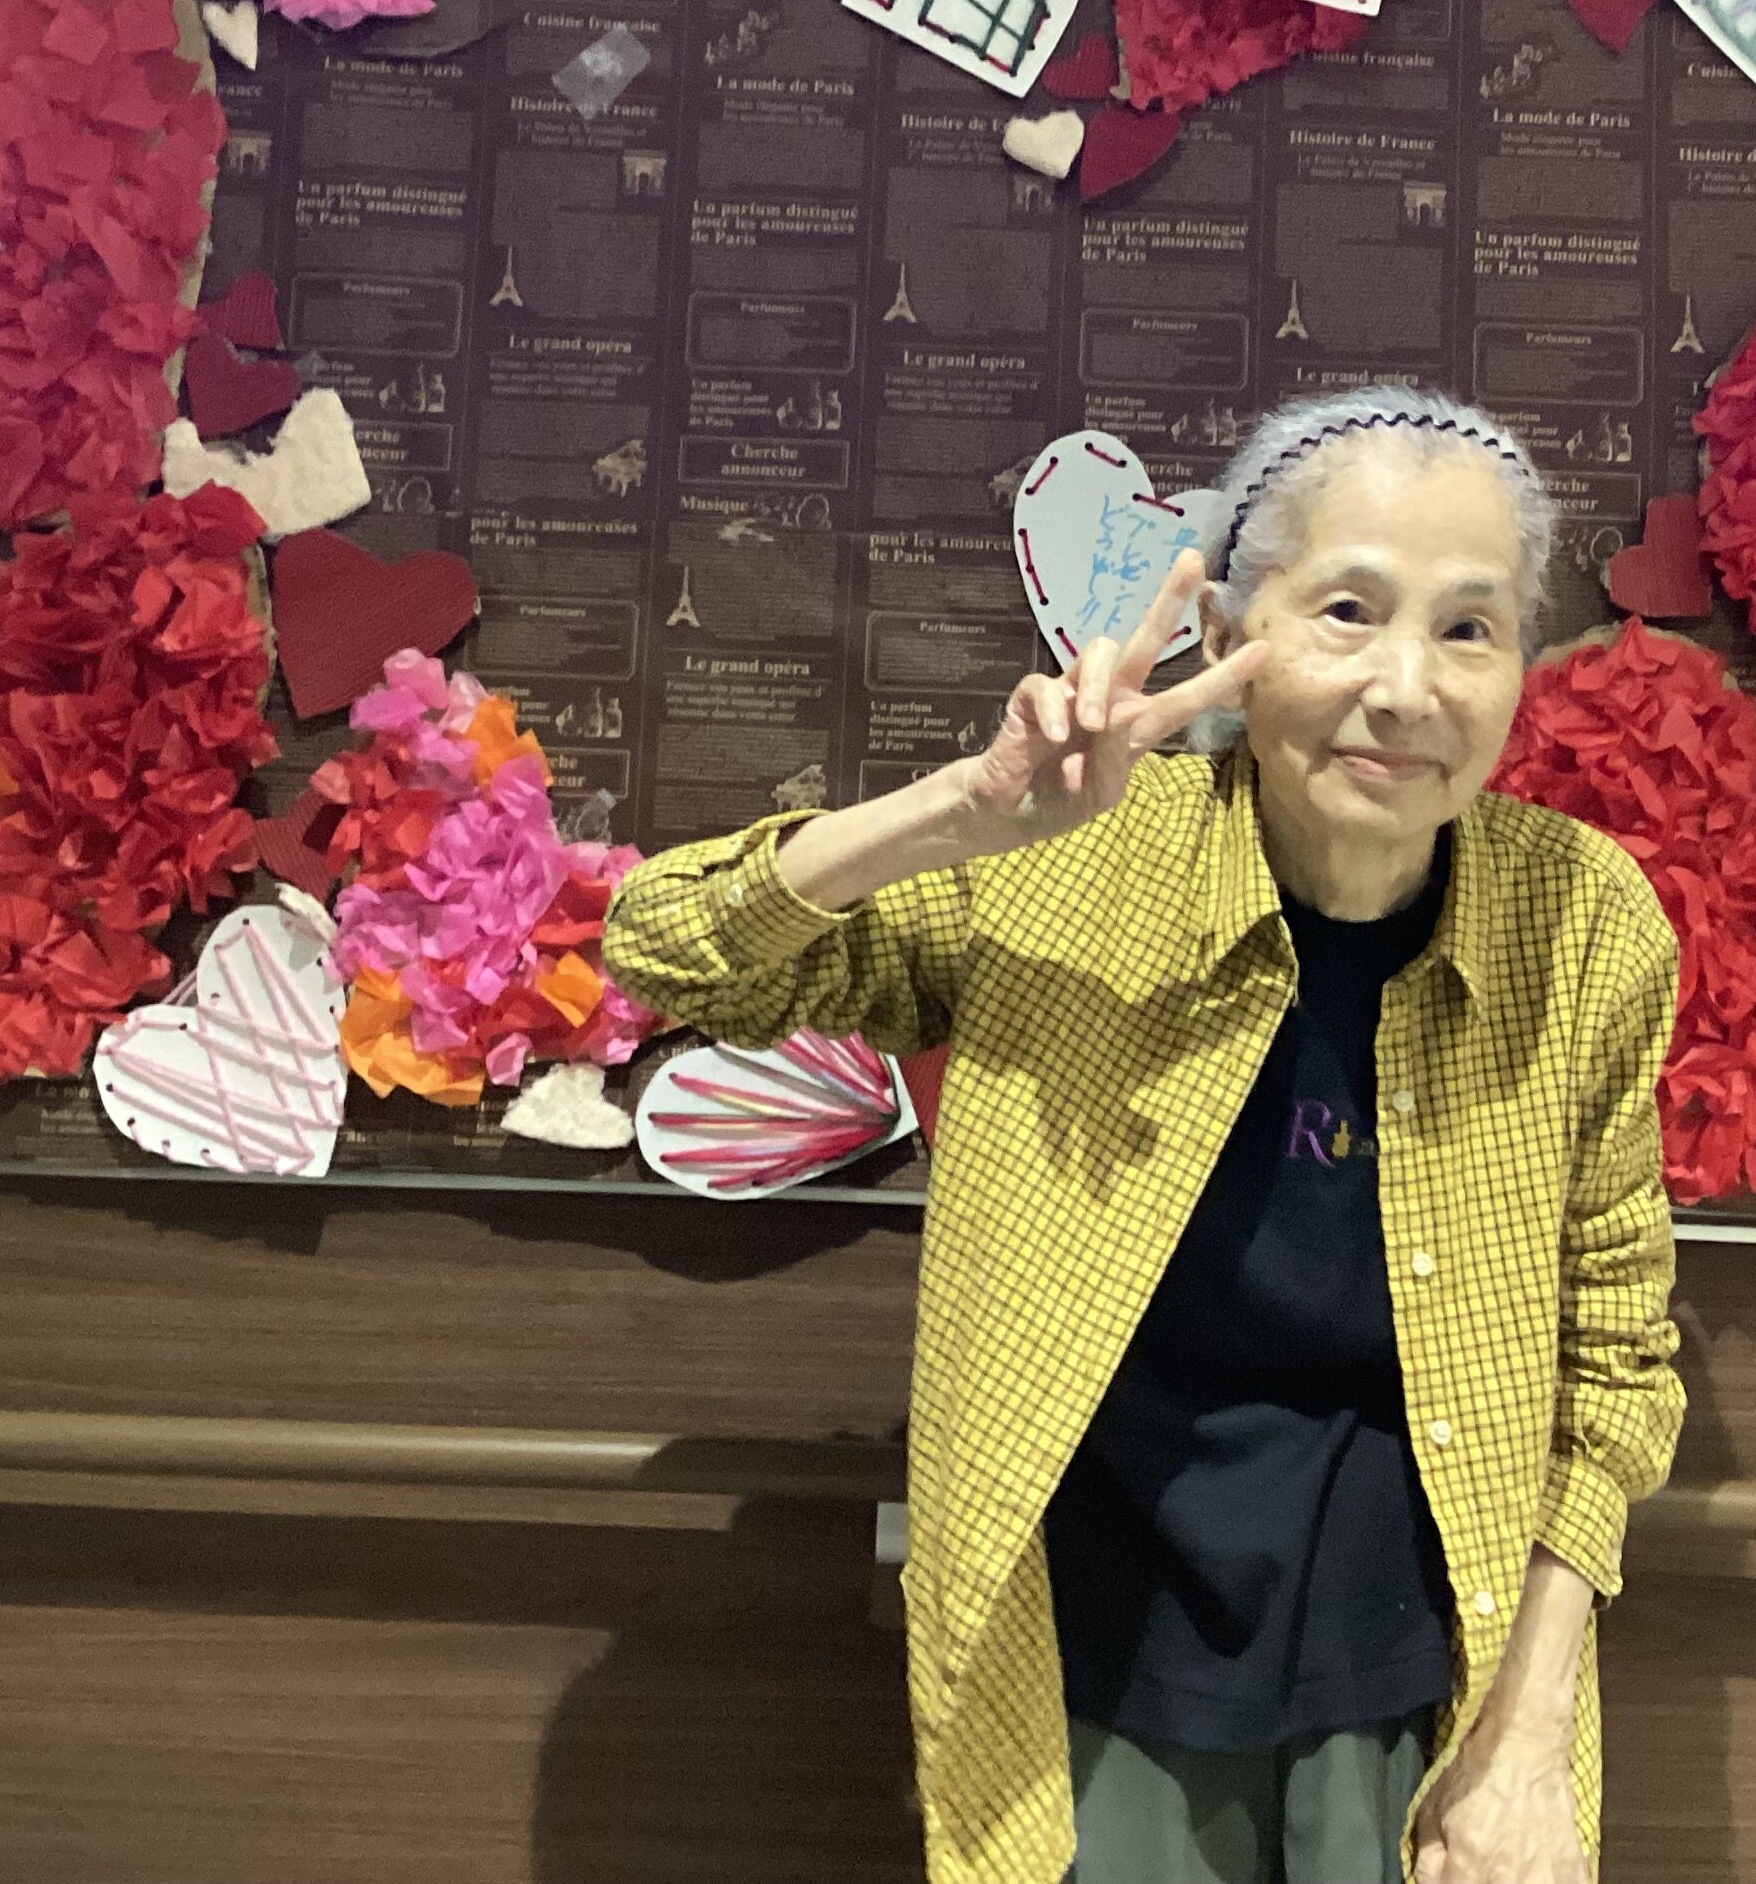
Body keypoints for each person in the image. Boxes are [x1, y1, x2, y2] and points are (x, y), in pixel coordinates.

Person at [605, 386, 1684, 1884]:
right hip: (1090, 1670)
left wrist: (1527, 1737)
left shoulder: (1583, 921)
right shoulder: (1070, 858)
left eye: (1468, 628)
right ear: (1233, 631)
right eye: (1348, 610)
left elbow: (1614, 1364)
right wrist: (960, 814)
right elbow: (667, 952)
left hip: (1431, 1682)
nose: (1405, 688)